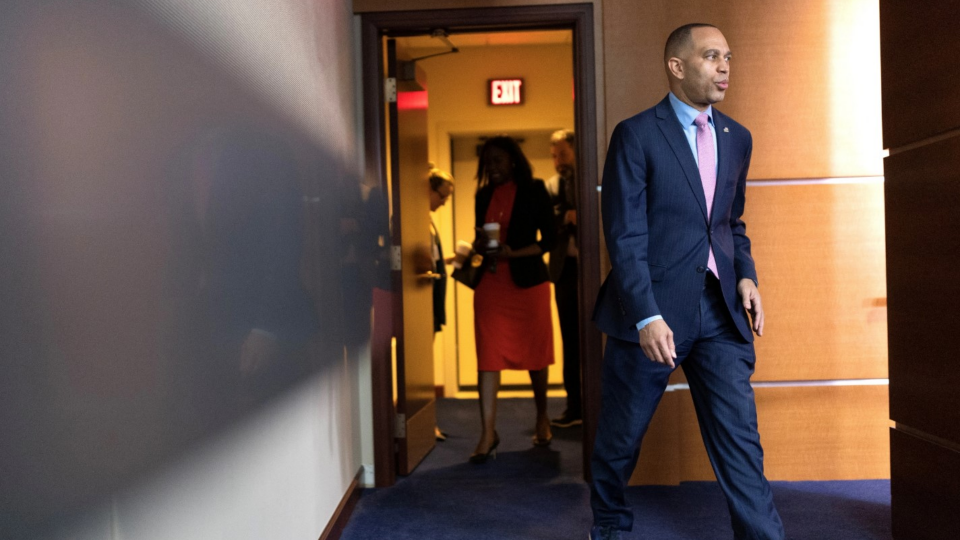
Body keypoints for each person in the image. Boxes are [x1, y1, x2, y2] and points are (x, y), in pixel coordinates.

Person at [588, 24, 784, 540]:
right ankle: (608, 523)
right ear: (676, 66)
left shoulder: (736, 137)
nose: (724, 67)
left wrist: (746, 276)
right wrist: (646, 315)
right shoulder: (636, 134)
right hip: (650, 313)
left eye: (728, 56)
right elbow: (624, 234)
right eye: (711, 56)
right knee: (621, 437)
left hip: (719, 311)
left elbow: (730, 224)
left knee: (740, 438)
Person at [470, 136, 557, 464]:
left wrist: (513, 253)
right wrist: (482, 246)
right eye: (487, 163)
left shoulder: (534, 189)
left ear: (513, 161)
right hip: (492, 285)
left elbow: (548, 240)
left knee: (536, 355)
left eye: (497, 161)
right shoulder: (482, 195)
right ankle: (487, 433)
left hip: (529, 284)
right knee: (488, 356)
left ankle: (542, 416)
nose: (491, 168)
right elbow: (480, 233)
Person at [545, 129, 582, 429]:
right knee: (569, 341)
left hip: (592, 271)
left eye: (563, 154)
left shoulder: (591, 178)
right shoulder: (551, 186)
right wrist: (566, 216)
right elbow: (545, 224)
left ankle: (595, 405)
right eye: (555, 156)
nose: (558, 161)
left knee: (593, 340)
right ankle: (574, 407)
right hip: (563, 272)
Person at [427, 167, 455, 441]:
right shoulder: (413, 220)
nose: (445, 201)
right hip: (423, 302)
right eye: (443, 195)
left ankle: (426, 422)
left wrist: (445, 263)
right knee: (422, 368)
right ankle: (424, 423)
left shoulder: (428, 221)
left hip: (433, 300)